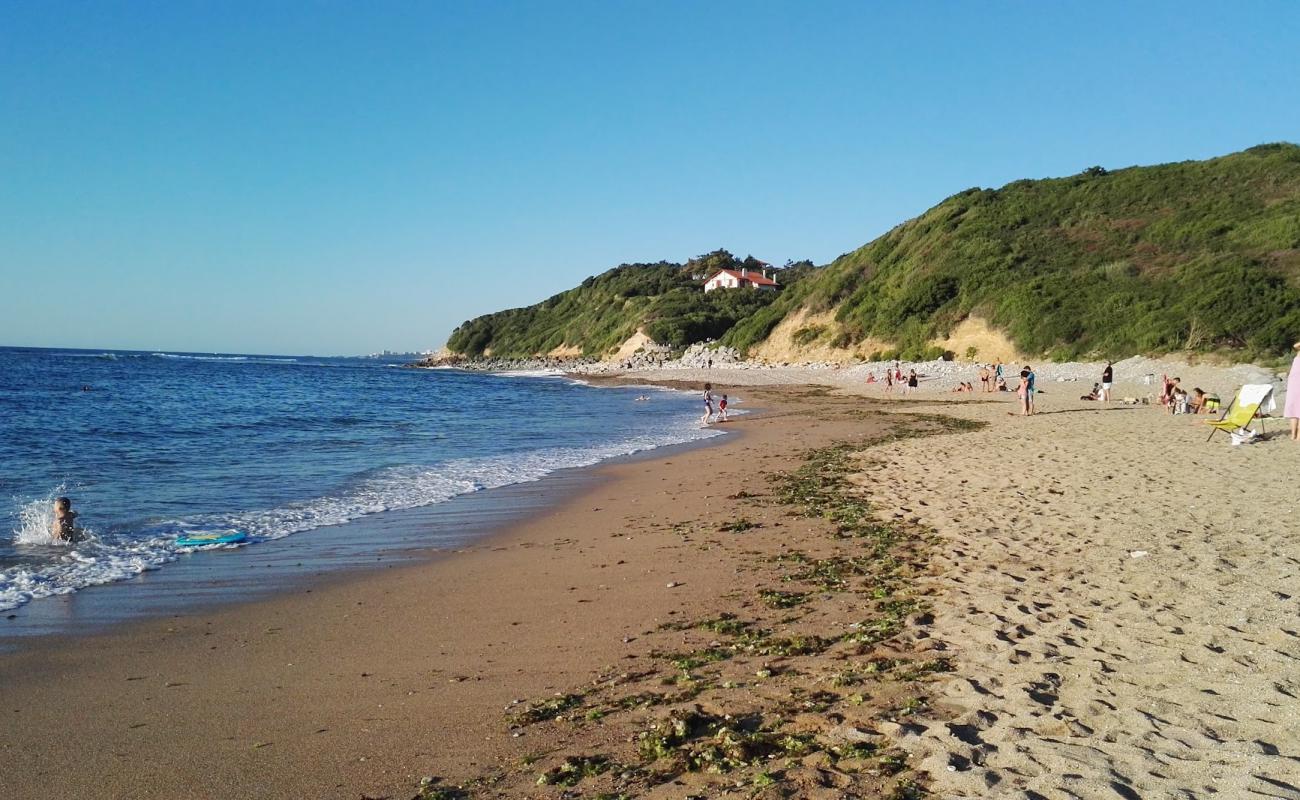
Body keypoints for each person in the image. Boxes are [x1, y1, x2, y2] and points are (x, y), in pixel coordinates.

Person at [1287, 341, 1300, 441]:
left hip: (1295, 382)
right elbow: (1295, 345)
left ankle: (1298, 436)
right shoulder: (1298, 352)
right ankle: (1293, 435)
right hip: (1294, 382)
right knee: (1293, 410)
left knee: (1295, 410)